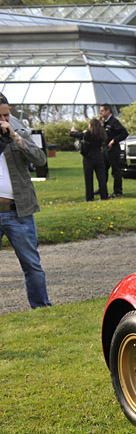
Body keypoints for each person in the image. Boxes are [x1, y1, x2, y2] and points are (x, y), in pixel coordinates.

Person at [0, 96, 52, 308]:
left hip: (17, 212)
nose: (3, 119)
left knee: (31, 264)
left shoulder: (18, 134)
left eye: (6, 115)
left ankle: (41, 308)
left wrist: (15, 138)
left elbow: (40, 159)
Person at [70, 118, 109, 201]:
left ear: (91, 125)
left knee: (88, 179)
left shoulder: (88, 134)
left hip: (89, 158)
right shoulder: (102, 134)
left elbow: (73, 135)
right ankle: (104, 196)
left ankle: (89, 197)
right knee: (101, 178)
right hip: (99, 157)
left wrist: (73, 131)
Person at [99, 104, 128, 197]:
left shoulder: (114, 122)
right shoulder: (105, 122)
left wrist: (114, 140)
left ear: (108, 111)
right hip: (105, 150)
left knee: (115, 171)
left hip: (113, 150)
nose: (101, 113)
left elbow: (124, 133)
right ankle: (102, 189)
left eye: (102, 111)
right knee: (103, 170)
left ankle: (118, 191)